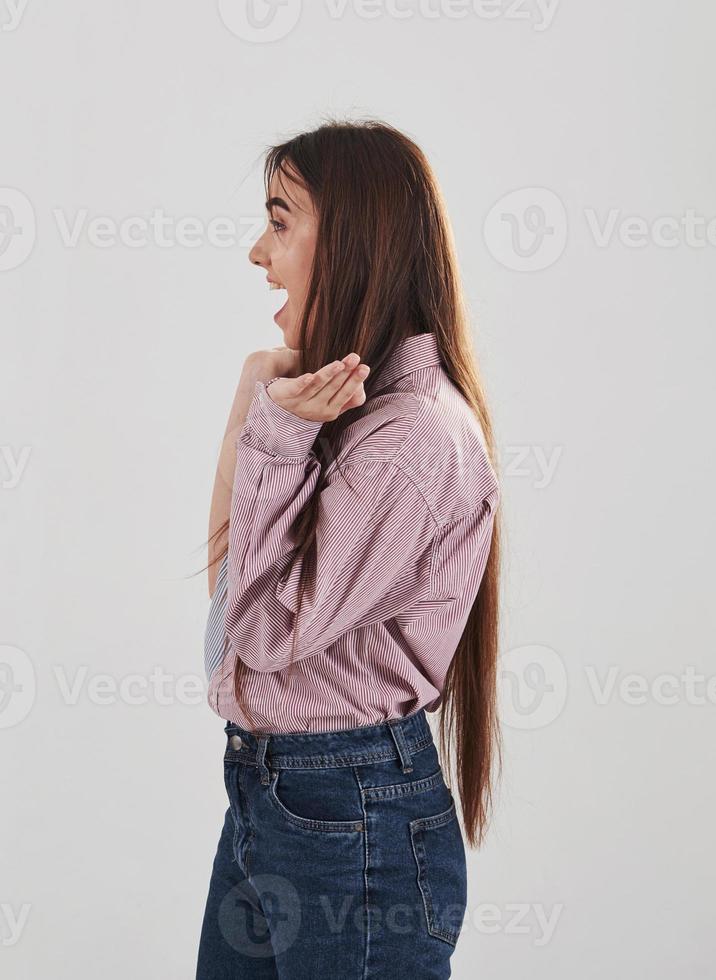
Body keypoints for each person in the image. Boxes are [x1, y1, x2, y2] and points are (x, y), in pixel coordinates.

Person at [196, 120, 502, 979]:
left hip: (347, 811)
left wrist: (276, 437)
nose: (260, 251)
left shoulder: (410, 440)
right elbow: (230, 603)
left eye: (282, 219)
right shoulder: (354, 412)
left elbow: (259, 634)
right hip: (281, 795)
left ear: (358, 238)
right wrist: (253, 404)